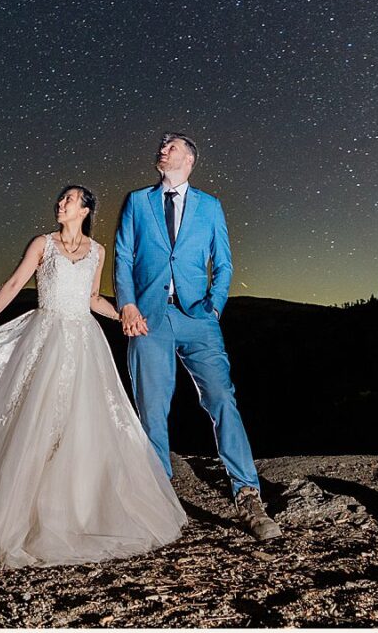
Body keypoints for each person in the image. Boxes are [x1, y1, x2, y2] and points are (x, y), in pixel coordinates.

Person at [0, 185, 187, 567]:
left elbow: (90, 298)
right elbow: (15, 283)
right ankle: (17, 518)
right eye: (60, 199)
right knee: (32, 422)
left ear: (84, 210)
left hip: (84, 342)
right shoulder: (43, 243)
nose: (60, 203)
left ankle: (74, 514)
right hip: (45, 336)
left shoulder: (97, 251)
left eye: (69, 200)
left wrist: (122, 315)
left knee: (81, 425)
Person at [114, 132, 281, 541]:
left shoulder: (210, 206)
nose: (162, 149)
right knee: (152, 408)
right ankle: (159, 500)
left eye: (171, 146)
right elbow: (123, 254)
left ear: (189, 159)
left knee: (222, 399)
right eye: (161, 145)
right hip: (148, 317)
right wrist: (127, 304)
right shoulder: (138, 201)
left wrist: (216, 305)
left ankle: (247, 495)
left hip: (197, 318)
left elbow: (223, 263)